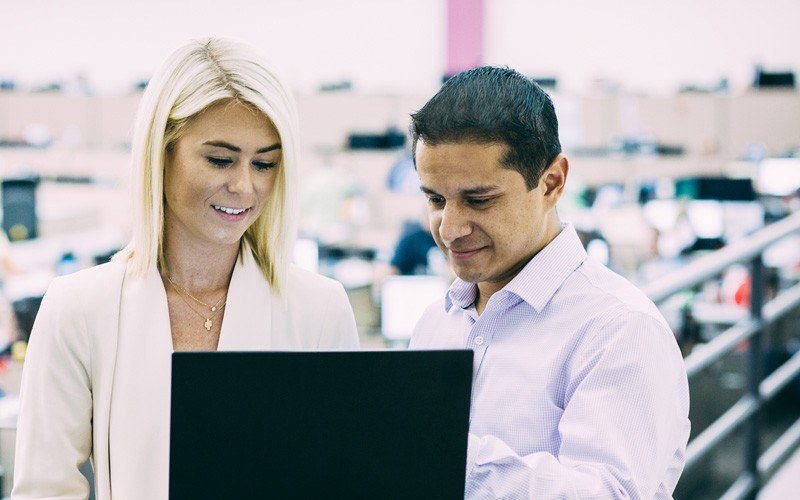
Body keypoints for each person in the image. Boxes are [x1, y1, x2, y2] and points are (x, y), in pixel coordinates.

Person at [12, 38, 360, 499]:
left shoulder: (320, 310)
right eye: (220, 159)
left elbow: (345, 481)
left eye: (265, 163)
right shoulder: (80, 308)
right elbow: (44, 490)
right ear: (163, 152)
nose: (244, 186)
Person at [408, 66, 690, 498]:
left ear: (552, 182)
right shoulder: (437, 322)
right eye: (435, 199)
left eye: (478, 200)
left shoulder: (619, 329)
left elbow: (609, 494)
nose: (449, 228)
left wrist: (437, 453)